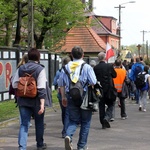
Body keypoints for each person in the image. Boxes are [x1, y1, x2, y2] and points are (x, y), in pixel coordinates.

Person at [59, 46, 97, 150]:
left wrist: (63, 97)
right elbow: (93, 81)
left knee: (73, 120)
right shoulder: (87, 67)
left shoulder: (65, 68)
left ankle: (68, 136)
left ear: (71, 55)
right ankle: (81, 146)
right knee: (85, 122)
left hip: (70, 96)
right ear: (83, 55)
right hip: (84, 97)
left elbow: (61, 84)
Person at [12, 48, 47, 150]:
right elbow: (41, 88)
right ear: (38, 57)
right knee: (39, 123)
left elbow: (14, 84)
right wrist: (42, 104)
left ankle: (22, 147)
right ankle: (40, 145)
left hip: (23, 100)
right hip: (36, 101)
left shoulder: (21, 68)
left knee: (24, 124)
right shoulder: (40, 69)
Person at [94, 52, 117, 129]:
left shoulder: (96, 67)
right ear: (105, 58)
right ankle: (106, 117)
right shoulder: (109, 66)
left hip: (99, 89)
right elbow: (115, 75)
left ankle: (103, 123)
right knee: (111, 104)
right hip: (109, 89)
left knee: (101, 105)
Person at [53, 56, 71, 138]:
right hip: (69, 93)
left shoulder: (59, 71)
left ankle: (65, 127)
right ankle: (65, 130)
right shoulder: (72, 71)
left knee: (64, 112)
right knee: (68, 113)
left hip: (60, 94)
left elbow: (54, 82)